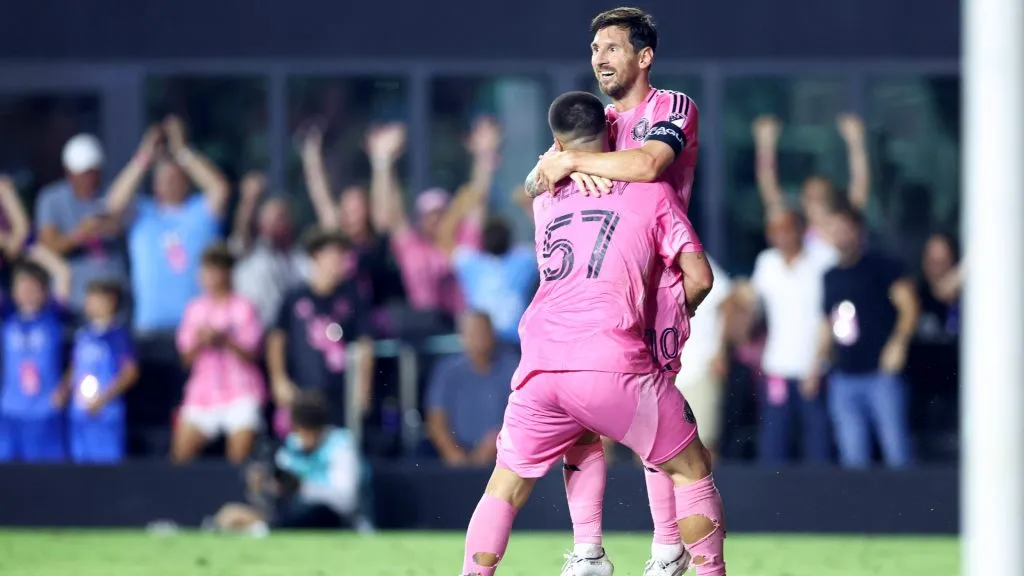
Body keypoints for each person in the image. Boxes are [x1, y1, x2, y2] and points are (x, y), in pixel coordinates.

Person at [459, 91, 725, 576]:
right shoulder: (653, 192)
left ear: (558, 143)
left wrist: (558, 165)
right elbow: (701, 278)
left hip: (538, 363)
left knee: (505, 486)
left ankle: (583, 557)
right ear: (612, 132)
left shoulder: (546, 196)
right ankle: (688, 562)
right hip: (609, 356)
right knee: (689, 465)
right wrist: (667, 312)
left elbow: (537, 179)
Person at [528, 8, 703, 575]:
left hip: (655, 283)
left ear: (644, 56)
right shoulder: (594, 120)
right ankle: (587, 551)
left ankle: (667, 549)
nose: (600, 57)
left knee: (657, 428)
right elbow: (533, 185)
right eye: (594, 49)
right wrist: (547, 168)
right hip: (595, 282)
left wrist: (574, 159)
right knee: (576, 420)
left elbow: (652, 164)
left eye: (612, 47)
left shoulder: (671, 108)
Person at [810, 204, 919, 469]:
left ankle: (909, 507)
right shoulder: (830, 276)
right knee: (852, 457)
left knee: (896, 450)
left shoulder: (881, 266)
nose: (840, 235)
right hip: (844, 375)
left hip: (881, 374)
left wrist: (898, 344)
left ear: (858, 231)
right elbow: (828, 321)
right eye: (834, 229)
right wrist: (816, 363)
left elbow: (909, 306)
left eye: (845, 228)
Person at [105, 117, 230, 332]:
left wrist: (183, 152)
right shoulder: (143, 214)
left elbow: (219, 189)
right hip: (150, 325)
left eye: (175, 178)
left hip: (198, 329)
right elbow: (113, 204)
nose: (169, 183)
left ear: (186, 181)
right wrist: (144, 157)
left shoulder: (199, 211)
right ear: (154, 184)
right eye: (163, 178)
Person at [366, 120, 490, 328]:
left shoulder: (463, 243)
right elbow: (392, 213)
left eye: (441, 214)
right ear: (421, 220)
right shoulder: (413, 248)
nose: (435, 220)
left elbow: (477, 202)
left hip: (462, 333)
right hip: (423, 333)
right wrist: (383, 163)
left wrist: (484, 157)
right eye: (429, 215)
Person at [207, 390, 370, 534]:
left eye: (310, 432)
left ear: (321, 428)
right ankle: (254, 527)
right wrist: (260, 488)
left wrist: (302, 487)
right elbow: (276, 498)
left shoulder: (341, 445)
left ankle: (262, 529)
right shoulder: (291, 446)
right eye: (301, 431)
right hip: (293, 517)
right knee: (232, 512)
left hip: (339, 521)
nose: (305, 438)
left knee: (318, 512)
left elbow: (347, 500)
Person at [746, 207, 836, 464]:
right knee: (773, 448)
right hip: (777, 368)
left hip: (814, 370)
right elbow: (755, 307)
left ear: (799, 228)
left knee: (818, 448)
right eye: (774, 230)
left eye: (786, 228)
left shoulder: (823, 258)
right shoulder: (766, 263)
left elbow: (828, 317)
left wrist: (818, 363)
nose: (780, 236)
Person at [266, 229, 374, 435]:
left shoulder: (354, 298)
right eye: (334, 254)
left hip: (339, 398)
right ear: (316, 257)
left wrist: (363, 388)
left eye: (343, 255)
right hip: (302, 395)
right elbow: (276, 338)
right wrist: (279, 380)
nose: (340, 261)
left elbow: (364, 345)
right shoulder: (294, 297)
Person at [174, 244, 265, 464]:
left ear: (227, 273)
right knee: (179, 457)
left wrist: (224, 340)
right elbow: (185, 359)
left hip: (241, 391)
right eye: (206, 270)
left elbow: (253, 354)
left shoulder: (244, 308)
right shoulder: (194, 309)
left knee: (239, 457)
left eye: (216, 270)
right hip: (202, 393)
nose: (210, 276)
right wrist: (201, 341)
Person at [35, 134, 129, 313]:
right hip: (76, 303)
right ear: (69, 173)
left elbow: (124, 217)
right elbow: (47, 245)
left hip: (116, 301)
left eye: (92, 173)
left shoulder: (111, 194)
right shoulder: (51, 199)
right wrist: (80, 234)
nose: (88, 180)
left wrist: (112, 224)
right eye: (82, 174)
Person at [751, 114, 870, 251]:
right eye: (810, 196)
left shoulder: (844, 228)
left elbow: (860, 184)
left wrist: (856, 142)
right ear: (804, 200)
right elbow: (770, 192)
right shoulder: (800, 231)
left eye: (820, 195)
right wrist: (765, 145)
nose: (815, 201)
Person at [0, 247, 71, 462]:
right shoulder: (7, 317)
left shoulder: (53, 318)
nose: (27, 292)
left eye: (33, 286)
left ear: (44, 291)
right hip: (10, 410)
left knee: (45, 479)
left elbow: (63, 273)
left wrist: (30, 248)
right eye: (21, 286)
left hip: (45, 410)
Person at [60, 280, 138, 463]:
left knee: (107, 468)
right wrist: (64, 389)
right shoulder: (83, 334)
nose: (89, 304)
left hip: (106, 414)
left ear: (110, 301)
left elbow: (130, 372)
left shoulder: (118, 336)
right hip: (79, 412)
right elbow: (75, 366)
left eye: (95, 299)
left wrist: (103, 399)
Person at [425, 311, 515, 466]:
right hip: (455, 456)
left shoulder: (513, 368)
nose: (478, 338)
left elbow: (522, 416)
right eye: (472, 333)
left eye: (482, 331)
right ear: (461, 336)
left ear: (493, 334)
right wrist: (453, 454)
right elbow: (436, 418)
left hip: (505, 455)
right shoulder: (447, 371)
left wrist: (496, 440)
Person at [230, 172, 309, 327]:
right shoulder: (251, 250)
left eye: (279, 218)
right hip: (249, 331)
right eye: (268, 218)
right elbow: (242, 230)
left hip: (283, 332)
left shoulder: (298, 258)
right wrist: (249, 200)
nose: (272, 224)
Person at [0, 175, 30, 295]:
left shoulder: (3, 188)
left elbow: (21, 224)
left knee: (60, 270)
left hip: (16, 251)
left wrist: (13, 243)